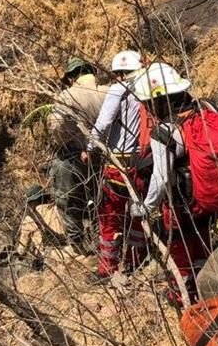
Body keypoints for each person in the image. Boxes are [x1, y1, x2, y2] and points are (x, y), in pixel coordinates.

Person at [128, 62, 215, 306]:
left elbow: (161, 176)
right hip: (204, 195)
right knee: (202, 243)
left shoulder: (164, 131)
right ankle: (206, 288)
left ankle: (184, 297)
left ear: (159, 101)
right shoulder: (205, 111)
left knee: (179, 249)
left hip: (178, 202)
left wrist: (146, 207)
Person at [83, 50, 147, 282]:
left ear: (118, 72)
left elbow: (104, 122)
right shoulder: (150, 87)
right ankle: (134, 262)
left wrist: (90, 148)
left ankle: (107, 268)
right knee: (138, 215)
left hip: (118, 164)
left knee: (109, 216)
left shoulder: (119, 89)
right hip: (145, 162)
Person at [47, 58, 109, 251]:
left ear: (72, 78)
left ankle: (77, 244)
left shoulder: (67, 96)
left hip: (76, 154)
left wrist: (64, 141)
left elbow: (56, 125)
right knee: (102, 197)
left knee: (66, 198)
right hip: (108, 156)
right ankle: (105, 238)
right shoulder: (109, 92)